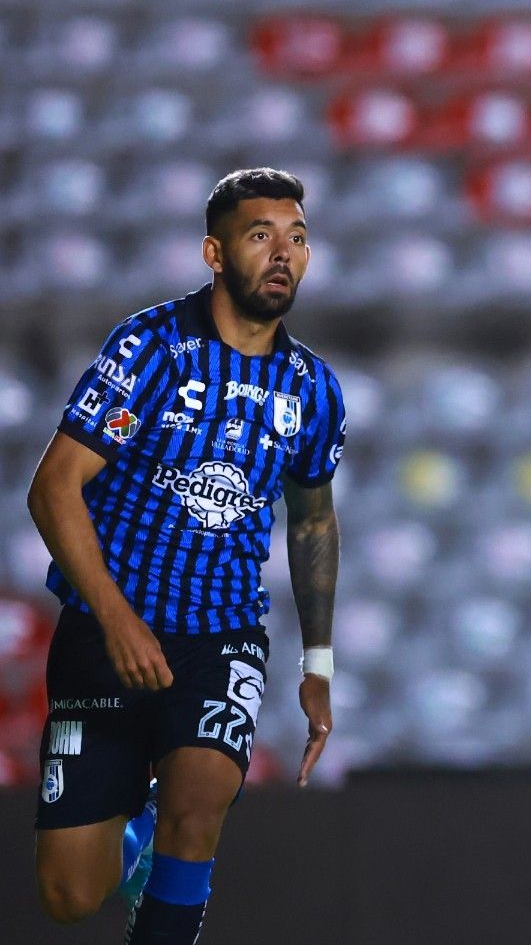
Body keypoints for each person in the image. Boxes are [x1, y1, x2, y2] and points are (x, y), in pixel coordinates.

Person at [27, 168, 347, 942]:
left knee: (199, 803)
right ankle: (133, 825)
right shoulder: (152, 349)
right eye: (260, 236)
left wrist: (319, 665)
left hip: (221, 635)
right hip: (105, 635)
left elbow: (310, 523)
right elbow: (53, 489)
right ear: (214, 252)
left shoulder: (312, 388)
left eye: (297, 238)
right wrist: (115, 619)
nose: (283, 254)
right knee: (71, 894)